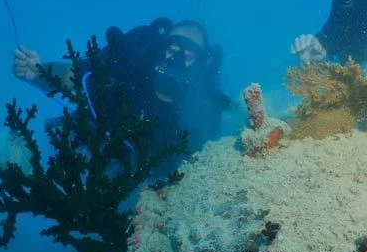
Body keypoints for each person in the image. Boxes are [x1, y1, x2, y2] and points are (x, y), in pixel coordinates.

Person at [12, 18, 231, 154]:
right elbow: (73, 75)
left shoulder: (201, 101)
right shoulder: (128, 67)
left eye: (188, 54)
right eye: (172, 48)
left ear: (199, 64)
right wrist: (38, 71)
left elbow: (210, 143)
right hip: (92, 148)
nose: (176, 59)